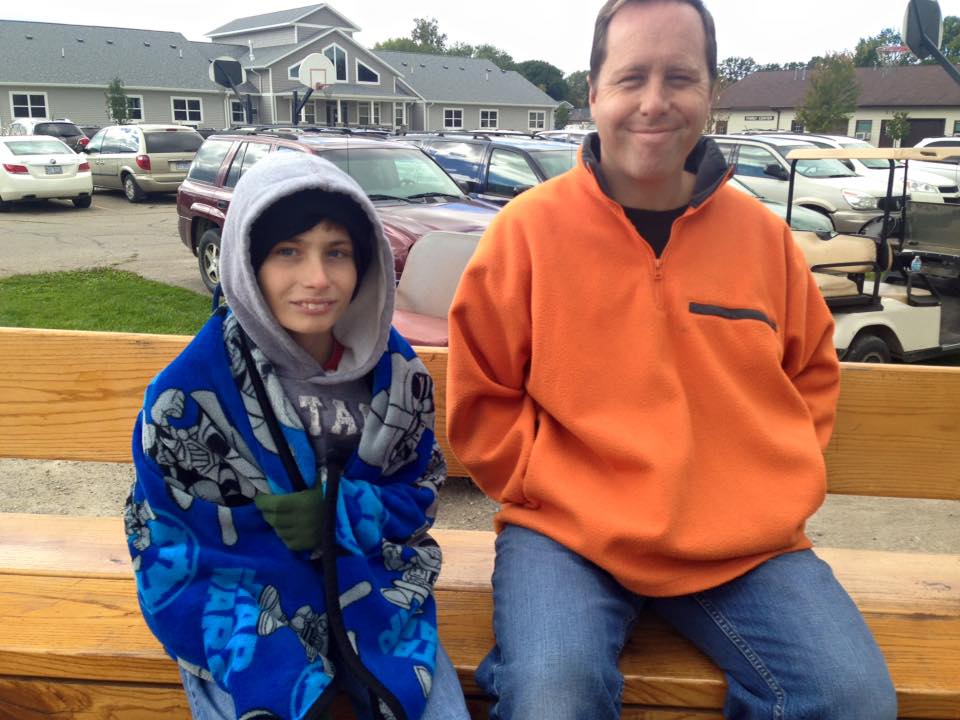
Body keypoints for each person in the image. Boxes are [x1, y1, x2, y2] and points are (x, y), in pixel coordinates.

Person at [445, 1, 898, 718]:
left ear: (711, 92)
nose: (654, 102)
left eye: (679, 78)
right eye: (631, 78)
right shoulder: (525, 233)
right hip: (566, 538)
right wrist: (548, 482)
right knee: (554, 696)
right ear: (594, 92)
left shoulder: (763, 239)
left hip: (742, 549)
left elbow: (810, 374)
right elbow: (481, 397)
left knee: (854, 698)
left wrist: (765, 481)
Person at [125, 151, 470, 720]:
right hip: (243, 619)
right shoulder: (190, 394)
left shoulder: (397, 376)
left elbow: (419, 492)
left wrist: (341, 513)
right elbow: (172, 543)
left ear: (366, 262)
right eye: (288, 252)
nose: (317, 279)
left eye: (337, 252)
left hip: (380, 606)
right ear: (247, 261)